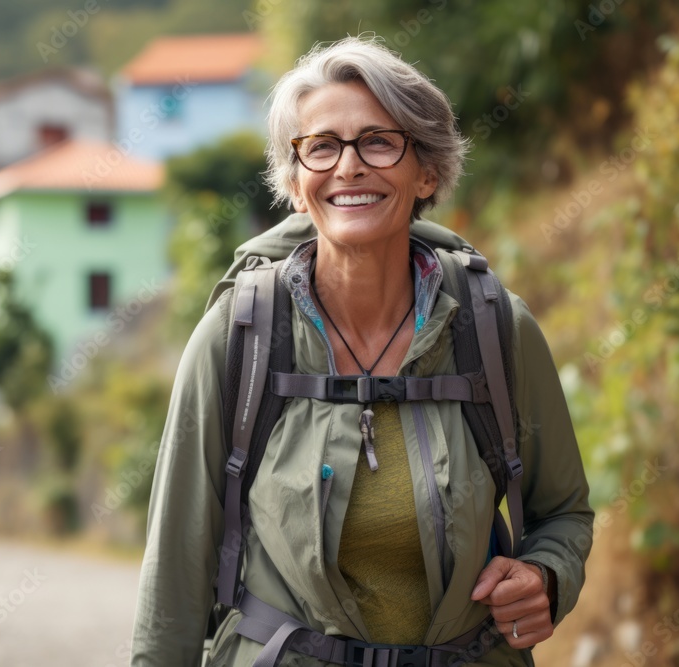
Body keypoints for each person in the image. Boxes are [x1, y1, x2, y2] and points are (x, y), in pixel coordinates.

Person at [130, 35, 593, 666]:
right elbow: (174, 581)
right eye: (320, 146)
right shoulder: (238, 336)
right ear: (295, 183)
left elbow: (563, 512)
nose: (348, 167)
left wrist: (546, 577)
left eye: (378, 141)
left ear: (426, 170)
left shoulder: (493, 329)